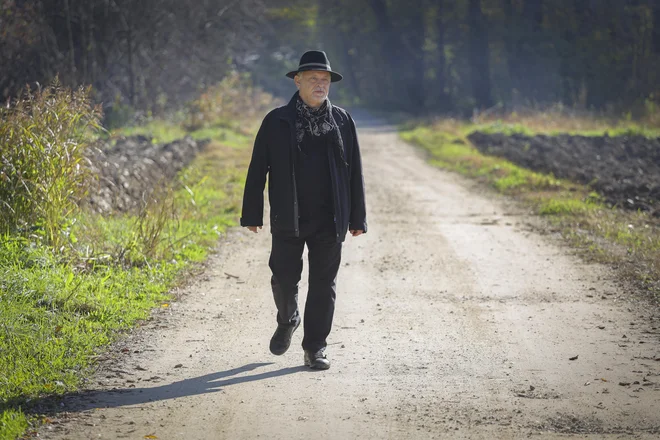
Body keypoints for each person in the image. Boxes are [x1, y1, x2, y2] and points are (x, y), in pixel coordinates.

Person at [240, 50, 367, 370]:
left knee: (324, 285)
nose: (320, 85)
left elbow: (354, 172)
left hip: (330, 218)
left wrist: (357, 217)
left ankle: (315, 348)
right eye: (313, 79)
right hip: (288, 216)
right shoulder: (276, 121)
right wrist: (252, 213)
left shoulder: (342, 120)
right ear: (297, 81)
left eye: (324, 80)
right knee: (283, 279)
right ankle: (287, 319)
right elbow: (258, 169)